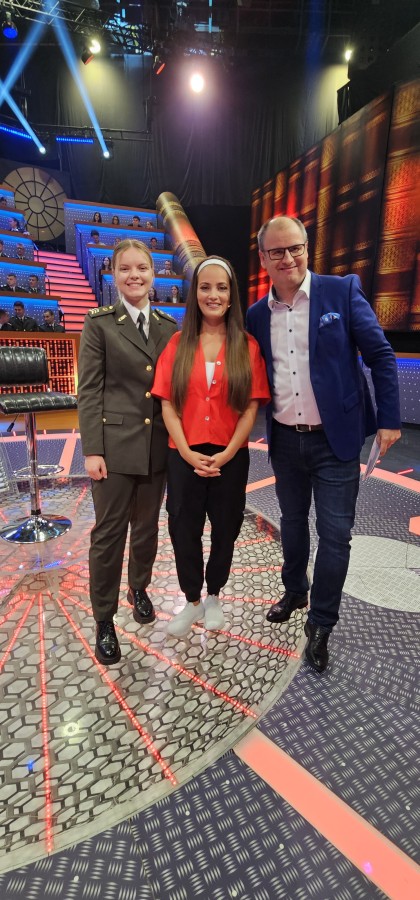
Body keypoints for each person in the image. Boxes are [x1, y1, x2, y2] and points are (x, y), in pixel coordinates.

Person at [246, 215, 401, 673]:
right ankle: (295, 590)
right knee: (292, 523)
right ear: (263, 258)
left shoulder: (341, 291)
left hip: (336, 441)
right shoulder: (256, 315)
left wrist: (389, 420)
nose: (288, 258)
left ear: (306, 248)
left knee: (335, 535)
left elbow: (380, 355)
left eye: (296, 247)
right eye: (278, 251)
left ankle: (321, 622)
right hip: (284, 441)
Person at [152, 256, 270, 638]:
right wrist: (187, 452)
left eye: (221, 288)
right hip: (183, 454)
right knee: (183, 528)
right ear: (195, 294)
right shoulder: (177, 344)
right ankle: (192, 600)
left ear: (231, 296)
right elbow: (167, 404)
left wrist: (229, 452)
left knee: (225, 528)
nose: (213, 295)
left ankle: (214, 594)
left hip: (229, 456)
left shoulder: (247, 346)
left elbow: (250, 408)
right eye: (205, 287)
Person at [77, 238, 178, 665]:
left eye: (142, 268)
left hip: (156, 447)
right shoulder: (99, 324)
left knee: (147, 528)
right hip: (114, 448)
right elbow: (90, 391)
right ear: (113, 275)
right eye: (125, 269)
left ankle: (139, 587)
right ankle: (104, 618)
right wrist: (92, 449)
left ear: (154, 274)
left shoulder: (168, 326)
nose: (134, 275)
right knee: (109, 534)